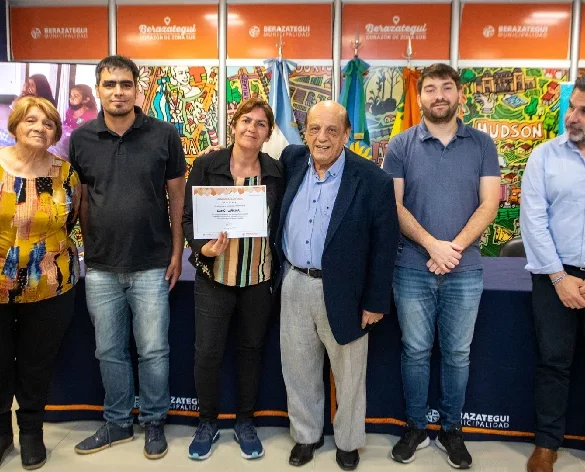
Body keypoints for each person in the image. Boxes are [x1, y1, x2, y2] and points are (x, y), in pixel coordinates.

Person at [383, 63, 500, 469]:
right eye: (430, 88)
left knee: (457, 354)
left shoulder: (482, 144)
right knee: (415, 351)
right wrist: (433, 245)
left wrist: (454, 249)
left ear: (459, 95)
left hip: (464, 270)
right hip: (412, 268)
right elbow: (393, 205)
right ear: (419, 97)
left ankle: (452, 429)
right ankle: (416, 427)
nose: (438, 95)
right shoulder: (400, 145)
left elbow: (490, 203)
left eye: (446, 87)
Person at [69, 55, 186, 460]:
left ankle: (153, 421)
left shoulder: (164, 134)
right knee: (108, 350)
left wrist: (177, 252)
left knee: (153, 350)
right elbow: (83, 201)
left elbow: (177, 197)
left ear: (137, 88)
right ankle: (117, 422)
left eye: (125, 84)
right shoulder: (81, 139)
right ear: (98, 89)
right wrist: (90, 250)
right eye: (109, 84)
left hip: (152, 263)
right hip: (101, 267)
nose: (118, 92)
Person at [277, 100, 399, 471]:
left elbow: (385, 246)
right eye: (314, 129)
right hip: (294, 283)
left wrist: (375, 301)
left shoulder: (373, 181)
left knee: (349, 374)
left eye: (332, 130)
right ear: (305, 133)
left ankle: (347, 442)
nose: (322, 137)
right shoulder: (292, 161)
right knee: (298, 368)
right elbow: (251, 157)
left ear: (346, 134)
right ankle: (306, 436)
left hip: (348, 292)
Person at [182, 98, 284, 461]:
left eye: (260, 124)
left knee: (251, 351)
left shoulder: (276, 172)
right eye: (246, 121)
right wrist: (202, 248)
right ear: (234, 124)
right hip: (214, 276)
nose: (252, 128)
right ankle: (207, 422)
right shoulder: (207, 165)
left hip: (258, 278)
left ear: (268, 134)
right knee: (207, 353)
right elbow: (188, 218)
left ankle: (245, 421)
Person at [0, 97, 80, 469]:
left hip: (50, 284)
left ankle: (31, 432)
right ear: (15, 125)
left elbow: (73, 218)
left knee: (37, 362)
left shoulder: (66, 173)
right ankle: (2, 434)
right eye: (31, 120)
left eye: (48, 123)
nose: (39, 128)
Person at [521, 77, 585, 472]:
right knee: (554, 362)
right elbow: (533, 220)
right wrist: (560, 278)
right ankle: (546, 445)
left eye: (583, 111)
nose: (572, 117)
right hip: (554, 276)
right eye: (572, 106)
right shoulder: (544, 157)